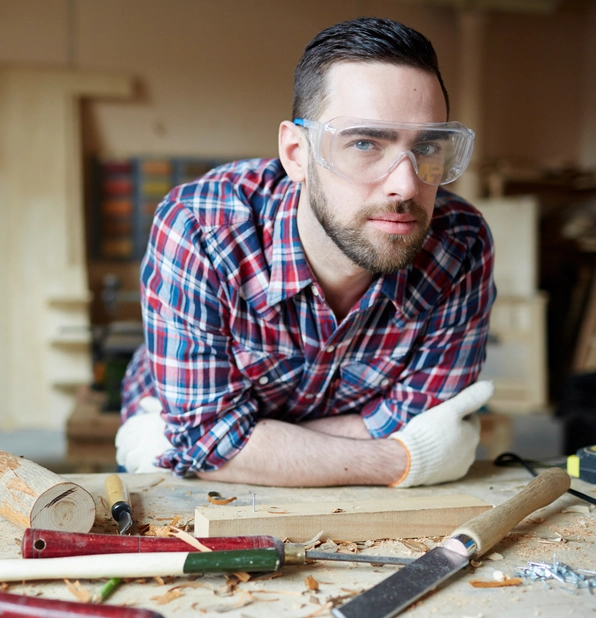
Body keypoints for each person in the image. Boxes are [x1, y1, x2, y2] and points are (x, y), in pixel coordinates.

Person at [115, 17, 496, 488]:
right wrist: (404, 459)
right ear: (296, 153)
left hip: (215, 459)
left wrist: (238, 445)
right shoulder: (201, 227)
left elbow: (417, 410)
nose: (406, 183)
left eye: (428, 147)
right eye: (364, 143)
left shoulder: (459, 245)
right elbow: (201, 437)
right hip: (176, 469)